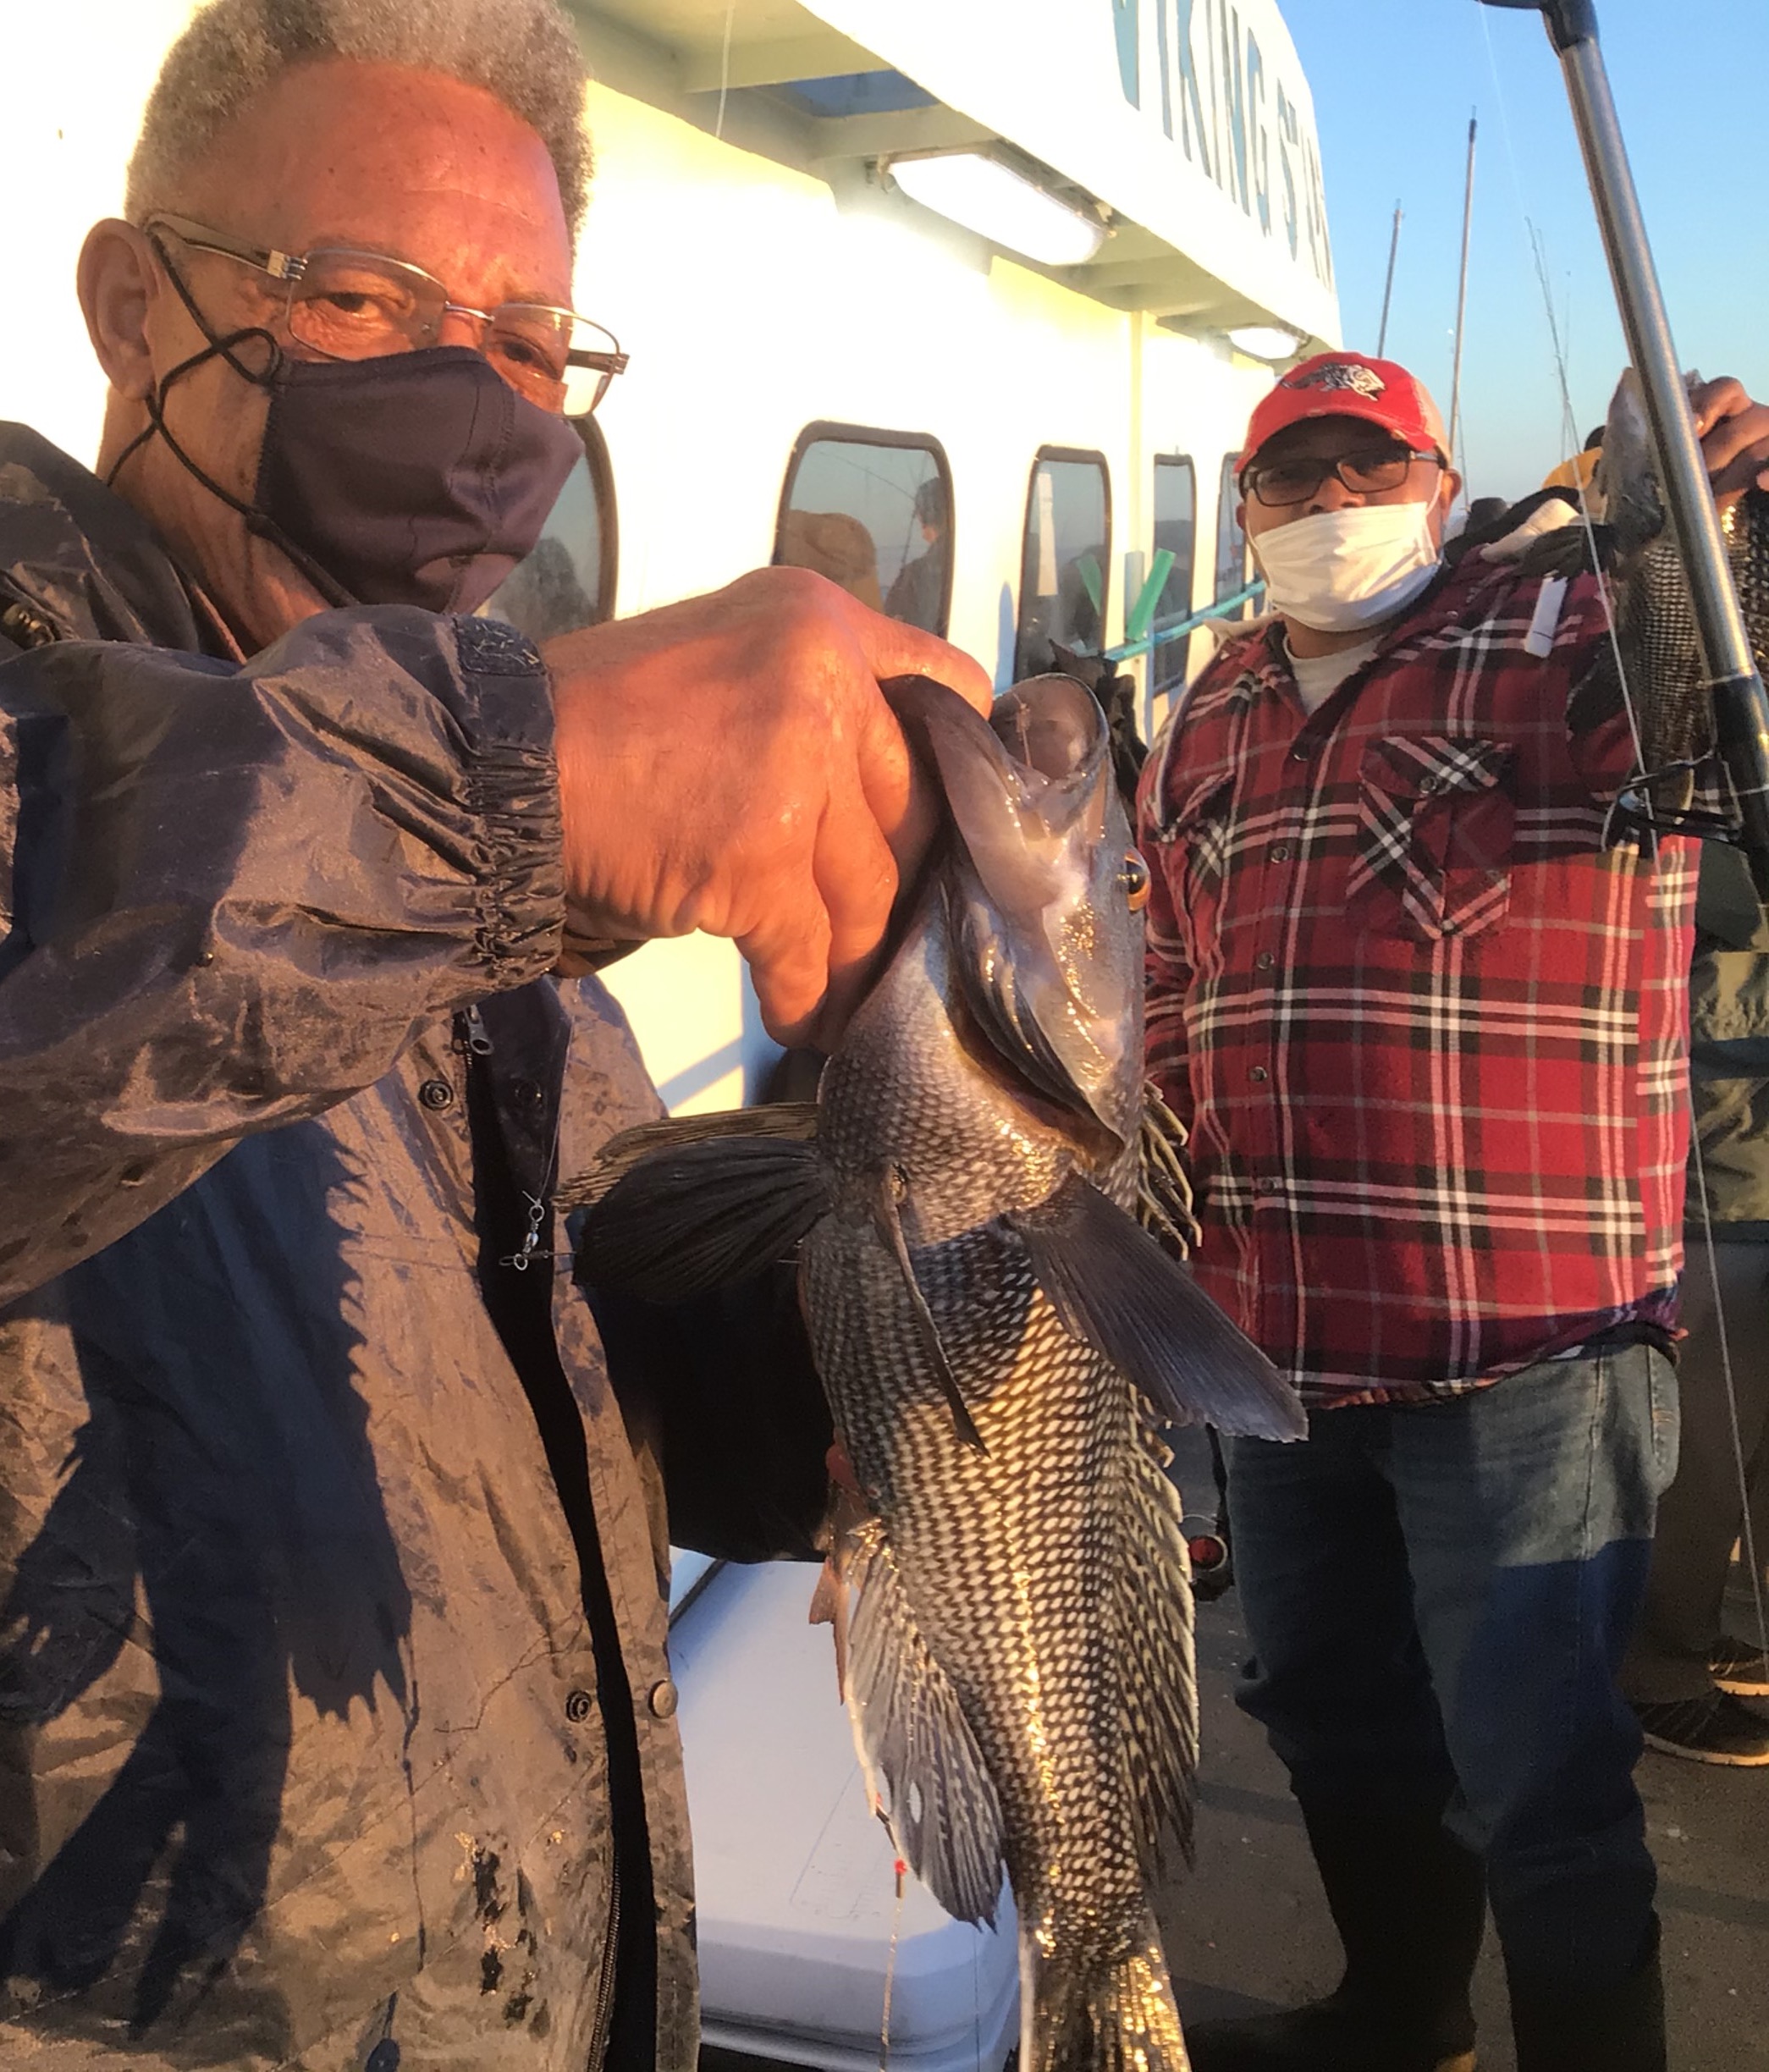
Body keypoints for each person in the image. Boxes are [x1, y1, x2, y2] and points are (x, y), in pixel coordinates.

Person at [0, 4, 991, 2069]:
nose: (473, 395)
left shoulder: (453, 806)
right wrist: (513, 775)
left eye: (534, 343)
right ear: (127, 303)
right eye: (358, 293)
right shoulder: (350, 767)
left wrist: (891, 1303)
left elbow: (596, 1294)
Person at [1138, 350, 1769, 2072]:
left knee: (1540, 1773)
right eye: (1293, 472)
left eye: (1368, 464)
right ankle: (1397, 2015)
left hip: (1529, 1357)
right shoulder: (1208, 706)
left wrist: (1688, 535)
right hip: (1271, 1358)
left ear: (1433, 483)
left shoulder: (1559, 645)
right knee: (1332, 1726)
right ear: (1247, 504)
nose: (1330, 499)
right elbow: (1172, 988)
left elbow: (1705, 724)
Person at [1622, 840, 1769, 1763]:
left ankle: (1700, 1625)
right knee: (1709, 1439)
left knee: (1748, 1445)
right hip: (1723, 1164)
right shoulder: (1709, 721)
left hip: (1741, 1138)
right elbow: (1711, 890)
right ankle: (1654, 1665)